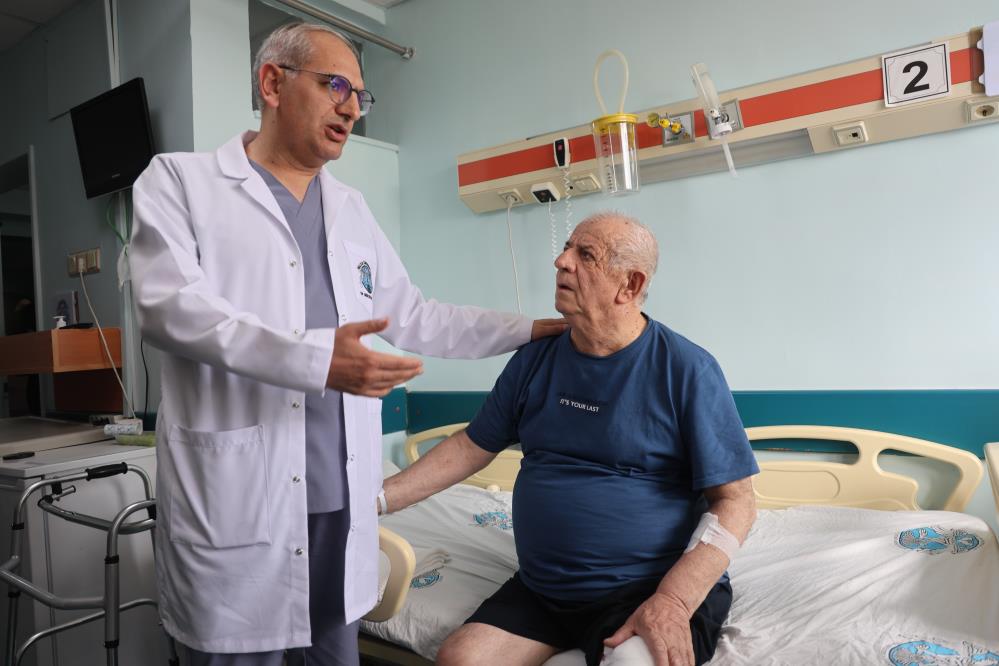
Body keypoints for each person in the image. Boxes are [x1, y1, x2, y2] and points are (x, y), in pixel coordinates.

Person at [128, 22, 565, 666]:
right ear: (272, 83)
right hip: (240, 498)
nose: (353, 108)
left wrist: (525, 329)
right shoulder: (181, 183)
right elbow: (170, 309)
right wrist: (315, 359)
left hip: (339, 502)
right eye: (336, 86)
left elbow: (413, 316)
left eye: (361, 95)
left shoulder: (350, 208)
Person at [382, 212, 759, 666]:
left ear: (630, 284)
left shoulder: (686, 370)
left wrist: (675, 601)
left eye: (586, 254)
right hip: (545, 589)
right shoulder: (535, 360)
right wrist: (374, 502)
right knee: (460, 660)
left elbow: (737, 502)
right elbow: (470, 447)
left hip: (649, 587)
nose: (561, 262)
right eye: (566, 249)